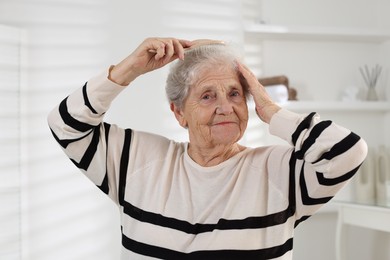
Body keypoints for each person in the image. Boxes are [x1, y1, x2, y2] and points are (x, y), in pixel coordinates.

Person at [48, 37, 367, 259]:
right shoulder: (138, 162)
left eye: (234, 93)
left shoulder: (277, 172)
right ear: (179, 112)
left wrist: (270, 110)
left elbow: (347, 152)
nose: (226, 107)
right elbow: (65, 125)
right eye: (207, 96)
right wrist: (130, 68)